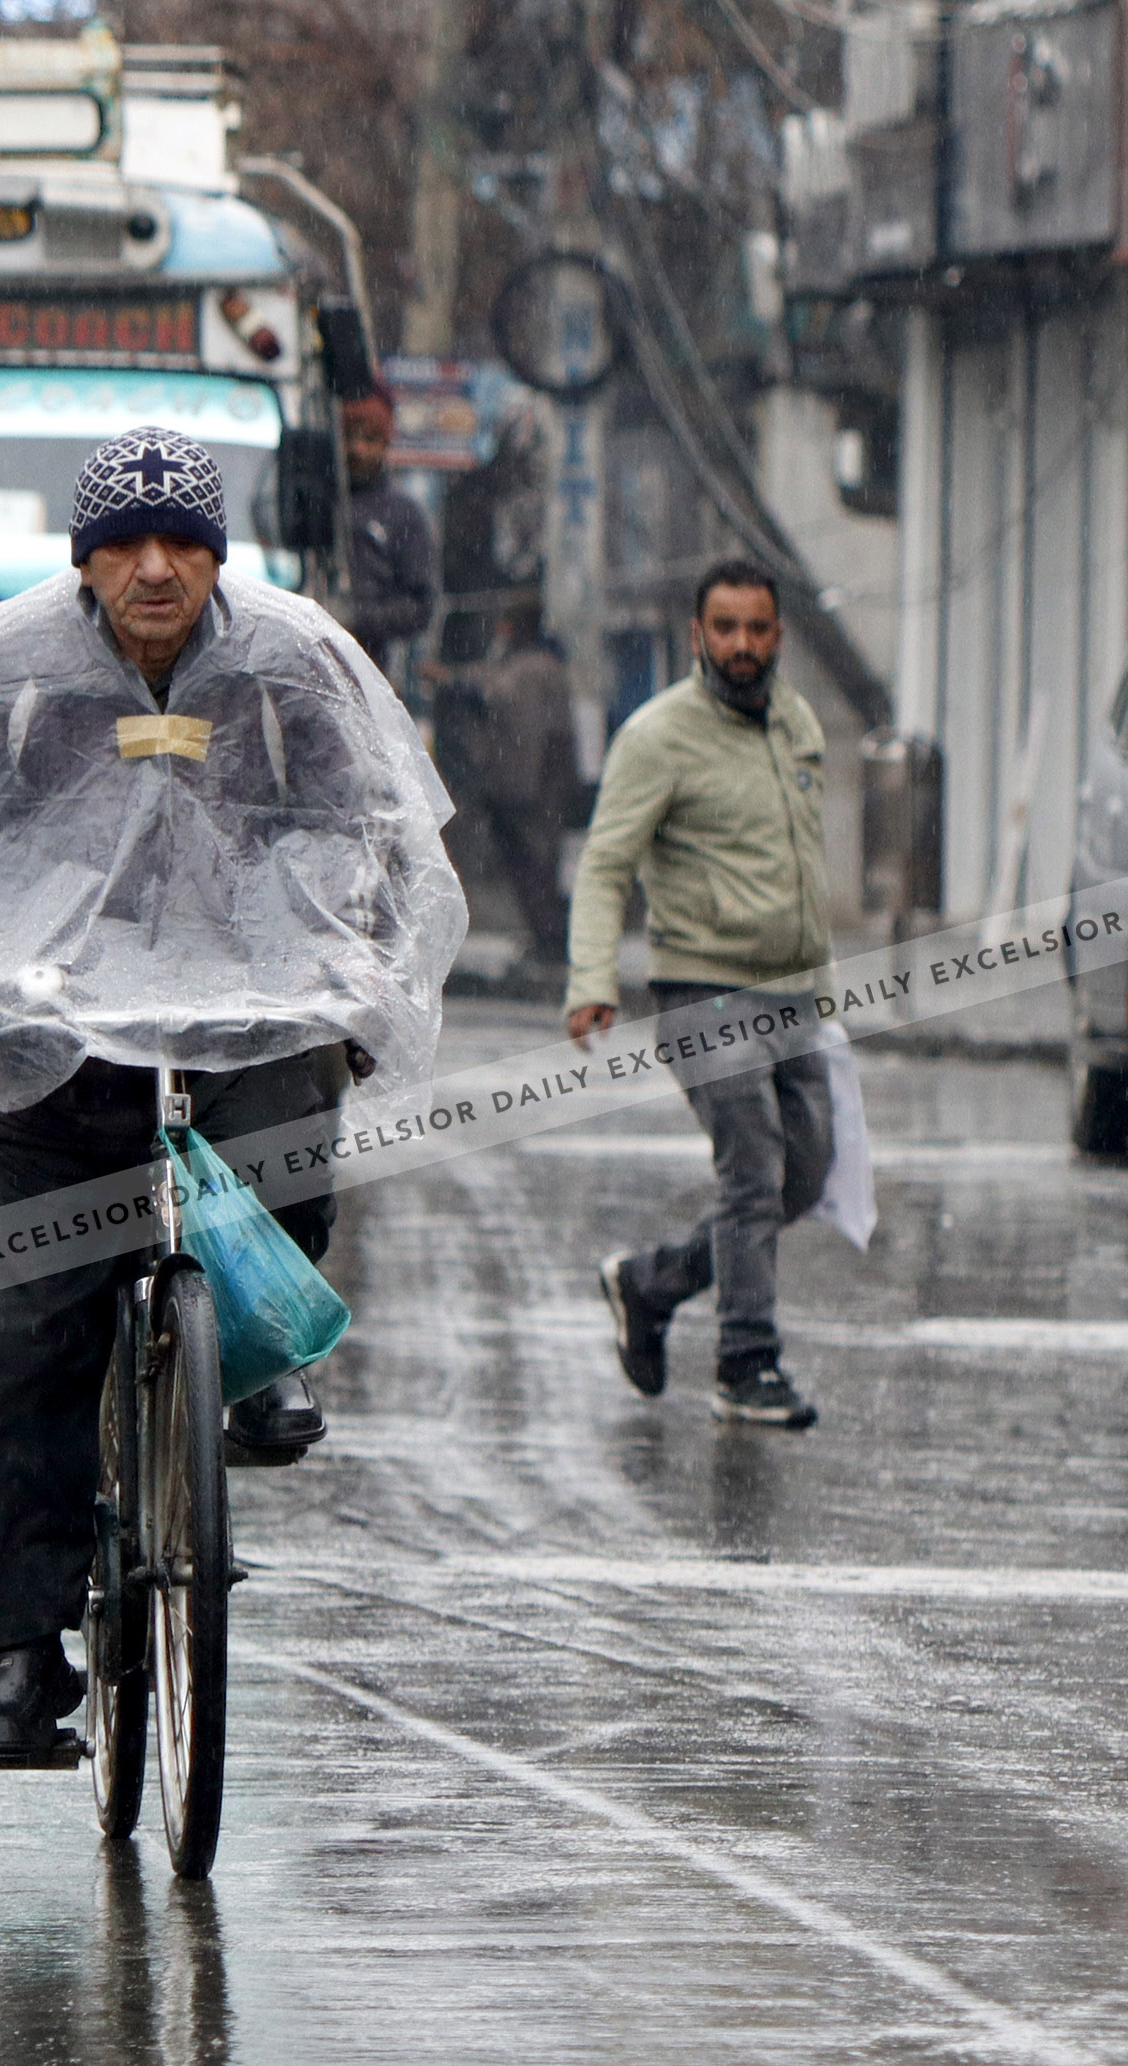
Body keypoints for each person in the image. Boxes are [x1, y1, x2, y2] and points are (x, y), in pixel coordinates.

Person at [0, 426, 464, 1762]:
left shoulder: (288, 662)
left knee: (278, 1166)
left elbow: (375, 824)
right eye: (127, 545)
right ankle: (23, 1649)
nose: (156, 569)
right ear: (85, 559)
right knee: (32, 1323)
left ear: (217, 553)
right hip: (57, 1017)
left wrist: (361, 966)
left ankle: (252, 1357)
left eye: (183, 543)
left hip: (247, 992)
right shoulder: (9, 671)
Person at [567, 560, 832, 1429]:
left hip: (794, 991)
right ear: (697, 636)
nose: (743, 646)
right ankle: (747, 1359)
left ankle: (650, 1285)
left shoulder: (796, 722)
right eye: (725, 629)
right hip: (701, 986)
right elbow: (606, 865)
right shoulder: (656, 736)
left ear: (778, 635)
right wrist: (591, 981)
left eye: (758, 629)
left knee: (803, 1176)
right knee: (753, 1166)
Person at [425, 593, 582, 969]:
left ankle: (550, 941)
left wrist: (514, 789)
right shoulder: (532, 665)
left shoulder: (533, 669)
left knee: (535, 865)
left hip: (532, 791)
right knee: (533, 866)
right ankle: (547, 938)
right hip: (536, 788)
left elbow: (508, 709)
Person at [336, 389, 439, 687]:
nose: (357, 449)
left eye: (370, 439)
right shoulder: (312, 498)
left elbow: (422, 606)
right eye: (348, 437)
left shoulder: (402, 515)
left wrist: (356, 618)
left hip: (368, 673)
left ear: (385, 443)